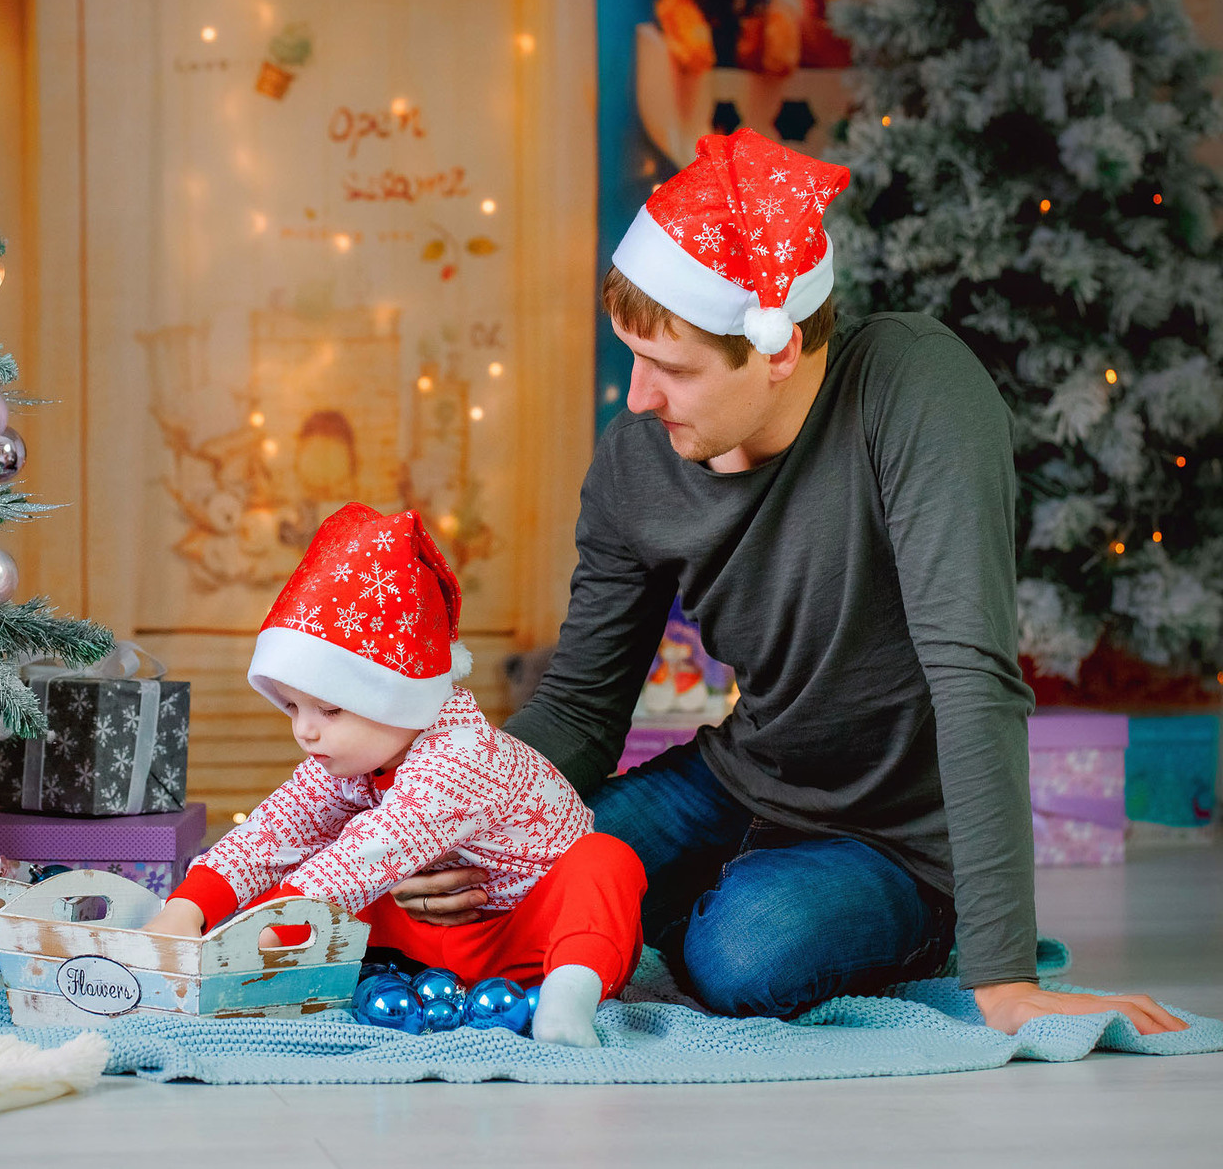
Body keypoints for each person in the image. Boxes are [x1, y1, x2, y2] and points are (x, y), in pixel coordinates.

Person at [390, 129, 1184, 1037]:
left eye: (672, 368)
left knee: (744, 955)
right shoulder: (637, 460)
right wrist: (460, 812)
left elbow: (973, 677)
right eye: (633, 357)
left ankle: (876, 925)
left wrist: (1005, 978)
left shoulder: (914, 389)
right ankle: (685, 903)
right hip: (742, 781)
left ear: (777, 349)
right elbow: (579, 706)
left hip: (904, 838)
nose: (639, 397)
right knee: (505, 874)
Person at [143, 503, 647, 1046]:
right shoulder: (354, 755)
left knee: (606, 861)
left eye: (329, 710)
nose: (305, 731)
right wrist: (187, 907)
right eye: (292, 707)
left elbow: (366, 856)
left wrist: (248, 941)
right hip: (433, 939)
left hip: (527, 935)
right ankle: (336, 973)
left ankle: (569, 994)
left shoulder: (460, 758)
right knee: (320, 850)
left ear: (395, 700)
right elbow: (275, 829)